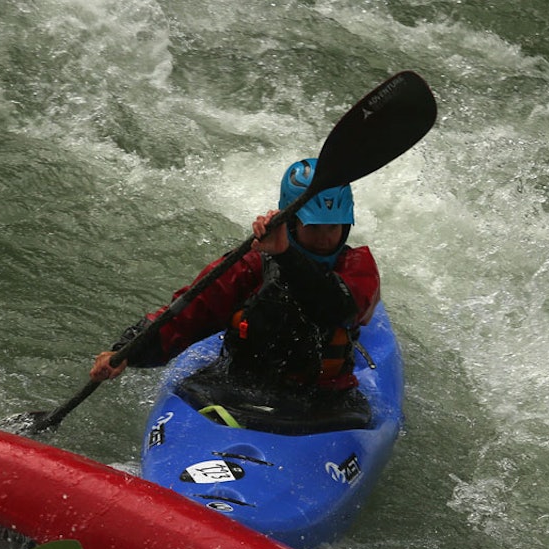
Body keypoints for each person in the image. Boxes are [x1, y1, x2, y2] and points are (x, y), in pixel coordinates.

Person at [89, 158, 380, 422]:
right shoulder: (251, 264)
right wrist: (127, 350)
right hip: (241, 388)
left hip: (324, 401)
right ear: (291, 222)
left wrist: (287, 255)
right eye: (314, 228)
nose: (325, 238)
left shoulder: (357, 266)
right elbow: (191, 311)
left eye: (334, 227)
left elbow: (336, 308)